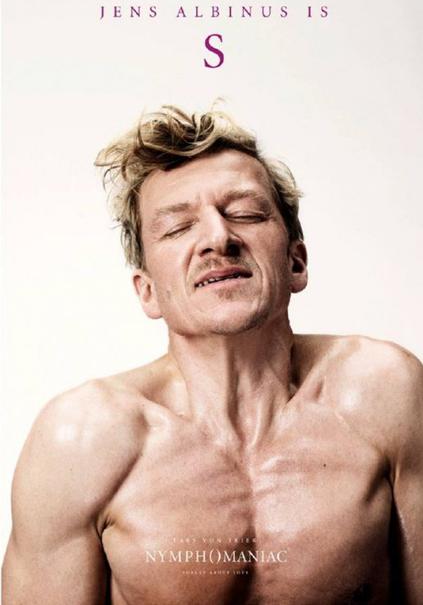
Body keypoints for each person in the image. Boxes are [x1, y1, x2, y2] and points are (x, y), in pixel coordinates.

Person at [2, 106, 423, 605]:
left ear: (296, 261)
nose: (218, 238)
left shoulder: (382, 394)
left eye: (245, 213)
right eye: (178, 228)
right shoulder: (83, 442)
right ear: (147, 292)